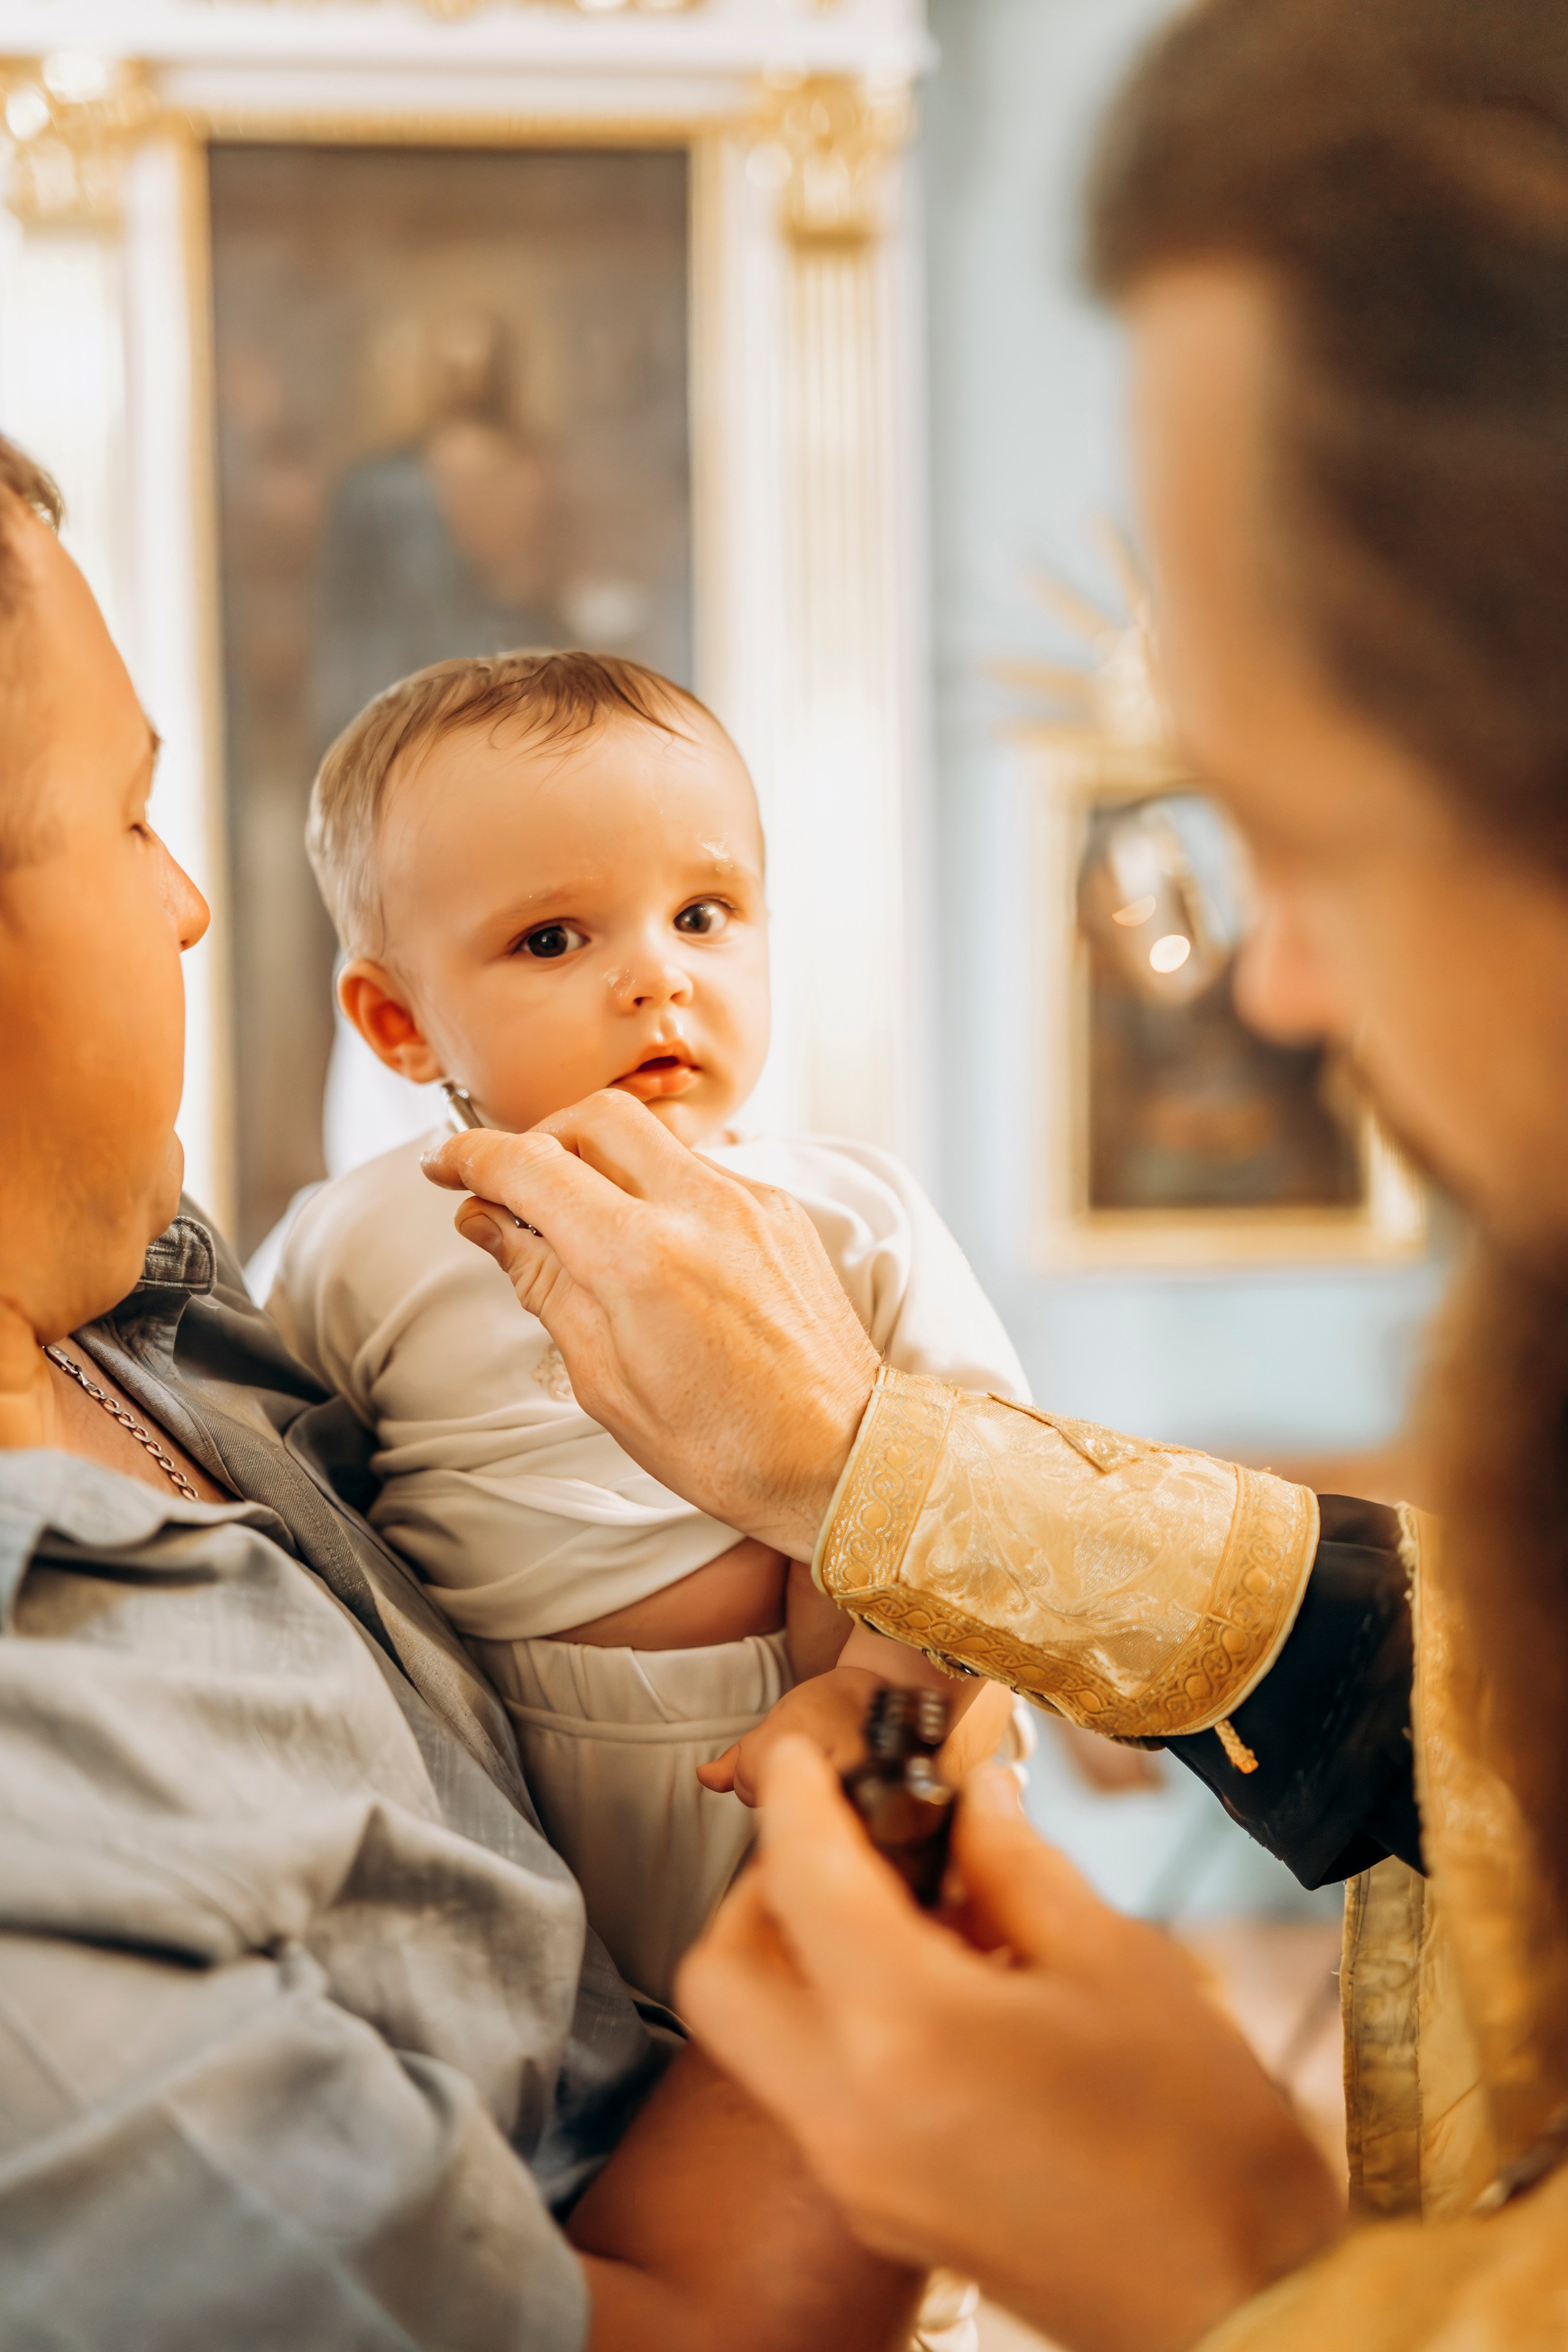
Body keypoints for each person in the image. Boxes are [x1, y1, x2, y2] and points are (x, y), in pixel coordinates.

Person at [415, 0, 1568, 2344]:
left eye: (1313, 830)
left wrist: (1250, 2279)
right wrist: (860, 1466)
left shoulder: (844, 1214)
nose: (1276, 993)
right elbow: (1444, 1678)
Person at [0, 436, 924, 2348]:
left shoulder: (155, 1305)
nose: (183, 907)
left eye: (705, 915)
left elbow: (931, 1469)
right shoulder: (39, 1879)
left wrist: (876, 1641)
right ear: (400, 1017)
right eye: (123, 822)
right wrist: (893, 1882)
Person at [268, 647, 1023, 2004]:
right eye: (554, 939)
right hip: (480, 1770)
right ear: (397, 1021)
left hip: (794, 1738)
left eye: (704, 913)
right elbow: (279, 1488)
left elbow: (974, 1483)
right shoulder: (368, 1237)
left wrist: (873, 1689)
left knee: (839, 2057)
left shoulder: (846, 1218)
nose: (655, 981)